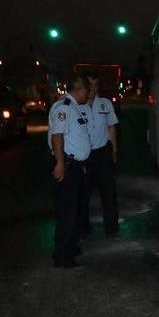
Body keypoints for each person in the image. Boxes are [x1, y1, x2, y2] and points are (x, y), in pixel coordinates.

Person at [48, 77, 92, 268]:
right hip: (67, 166)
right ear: (81, 90)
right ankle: (62, 257)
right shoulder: (65, 107)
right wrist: (60, 163)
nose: (89, 95)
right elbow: (57, 136)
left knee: (74, 211)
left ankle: (71, 248)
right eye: (88, 91)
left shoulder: (74, 107)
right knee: (67, 213)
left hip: (75, 166)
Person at [80, 74, 120, 238]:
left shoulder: (105, 103)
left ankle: (112, 228)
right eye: (90, 85)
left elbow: (111, 127)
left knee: (109, 193)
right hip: (84, 156)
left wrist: (114, 150)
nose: (93, 89)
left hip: (103, 153)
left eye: (96, 85)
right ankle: (83, 228)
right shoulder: (77, 106)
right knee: (83, 194)